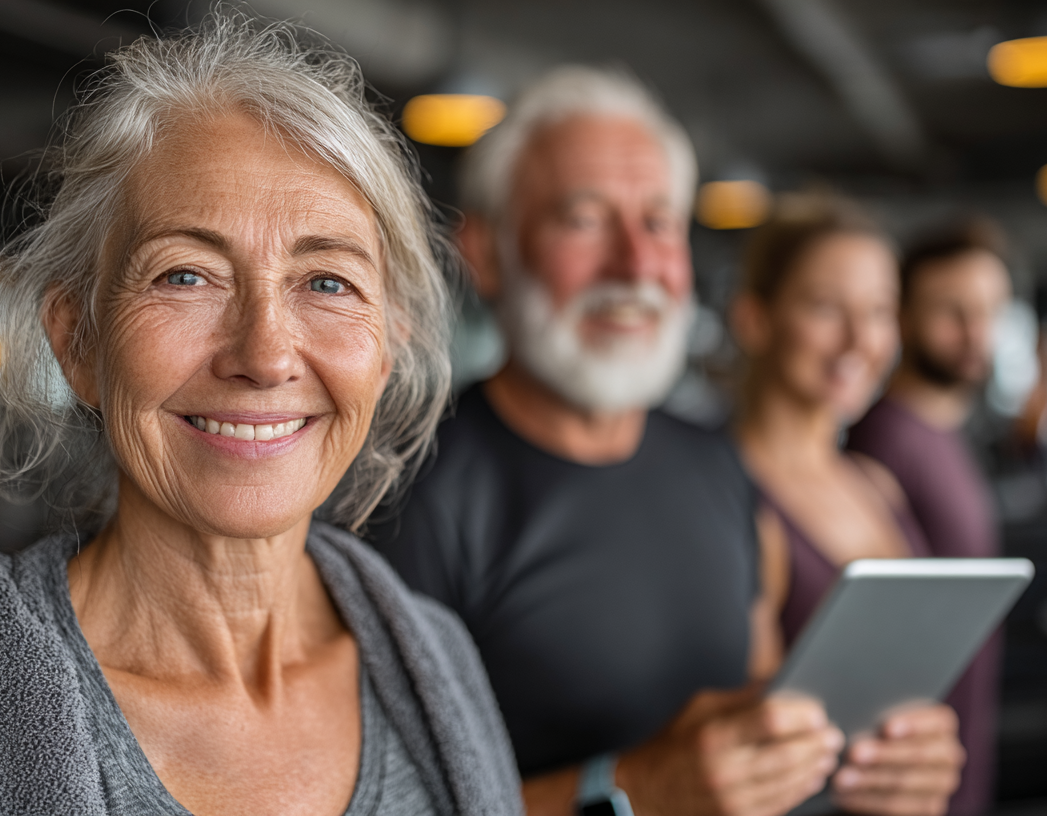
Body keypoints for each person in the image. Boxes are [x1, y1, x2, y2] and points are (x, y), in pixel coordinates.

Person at [0, 14, 520, 816]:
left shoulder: (438, 661)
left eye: (328, 283)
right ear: (78, 343)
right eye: (185, 275)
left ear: (387, 351)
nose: (266, 355)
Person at [372, 67, 956, 816]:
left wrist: (868, 770)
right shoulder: (405, 494)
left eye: (659, 222)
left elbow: (769, 728)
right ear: (485, 251)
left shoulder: (716, 463)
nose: (637, 266)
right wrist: (631, 792)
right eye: (584, 219)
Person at [729, 194, 968, 816]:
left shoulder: (874, 482)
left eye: (880, 311)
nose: (861, 339)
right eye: (826, 307)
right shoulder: (732, 502)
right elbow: (755, 762)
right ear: (755, 318)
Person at [844, 219, 1013, 815]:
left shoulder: (943, 431)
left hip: (958, 762)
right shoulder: (885, 440)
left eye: (990, 310)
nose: (975, 333)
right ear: (904, 318)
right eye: (952, 311)